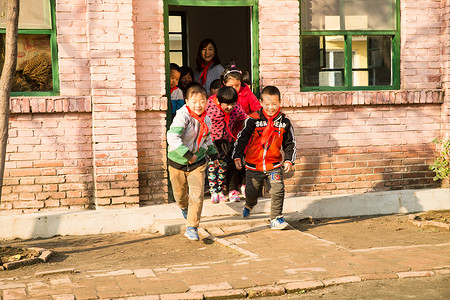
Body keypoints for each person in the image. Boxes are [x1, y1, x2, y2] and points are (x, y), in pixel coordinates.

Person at [232, 86, 296, 230]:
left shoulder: (284, 122)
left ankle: (276, 218)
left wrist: (288, 160)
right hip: (253, 166)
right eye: (267, 104)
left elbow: (290, 143)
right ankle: (249, 204)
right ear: (261, 102)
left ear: (280, 102)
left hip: (273, 165)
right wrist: (237, 156)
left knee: (278, 190)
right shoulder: (252, 120)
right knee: (251, 193)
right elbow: (241, 139)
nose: (271, 108)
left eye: (274, 104)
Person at [167, 83, 219, 241]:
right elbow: (172, 137)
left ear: (207, 102)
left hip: (198, 162)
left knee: (197, 196)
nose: (199, 105)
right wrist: (187, 154)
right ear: (187, 101)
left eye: (202, 101)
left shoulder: (207, 120)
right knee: (180, 195)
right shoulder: (182, 116)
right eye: (194, 101)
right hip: (177, 162)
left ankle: (192, 227)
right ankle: (184, 207)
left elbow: (207, 139)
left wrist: (214, 156)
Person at [206, 86, 247, 203]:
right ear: (219, 101)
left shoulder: (237, 109)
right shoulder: (209, 107)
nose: (229, 107)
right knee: (213, 165)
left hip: (226, 141)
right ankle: (214, 192)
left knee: (223, 167)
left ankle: (219, 191)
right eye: (226, 104)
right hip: (212, 142)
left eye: (232, 104)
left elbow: (244, 118)